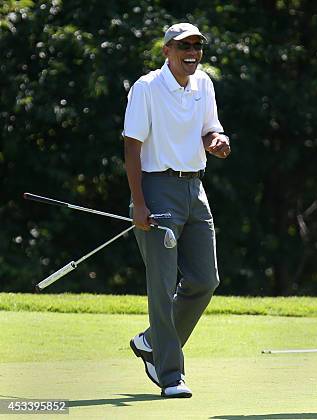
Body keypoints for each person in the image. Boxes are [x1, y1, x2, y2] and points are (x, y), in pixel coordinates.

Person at [122, 22, 230, 398]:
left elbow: (209, 129)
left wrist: (217, 141)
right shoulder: (147, 87)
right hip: (157, 187)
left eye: (198, 46)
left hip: (195, 188)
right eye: (185, 46)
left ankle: (152, 341)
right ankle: (170, 375)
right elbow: (132, 147)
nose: (193, 52)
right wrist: (139, 201)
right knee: (163, 285)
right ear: (167, 50)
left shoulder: (204, 84)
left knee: (205, 280)